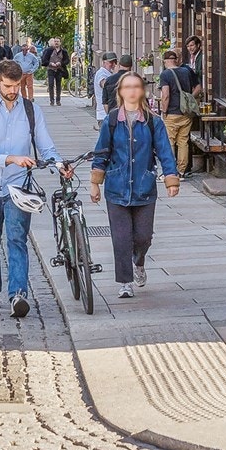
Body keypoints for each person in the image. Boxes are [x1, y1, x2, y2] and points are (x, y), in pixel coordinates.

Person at [0, 58, 66, 318]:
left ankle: (18, 295)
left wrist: (58, 165)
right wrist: (12, 158)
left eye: (16, 85)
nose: (13, 91)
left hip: (18, 188)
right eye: (7, 86)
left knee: (17, 239)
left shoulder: (32, 111)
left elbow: (45, 146)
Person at [90, 71, 180, 299]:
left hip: (144, 187)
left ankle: (138, 262)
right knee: (121, 239)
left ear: (142, 91)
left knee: (143, 236)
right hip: (116, 188)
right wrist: (95, 183)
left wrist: (171, 178)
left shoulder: (153, 122)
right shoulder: (112, 121)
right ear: (120, 92)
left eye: (136, 87)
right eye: (127, 87)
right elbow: (101, 153)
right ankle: (125, 282)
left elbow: (165, 152)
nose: (131, 91)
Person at [158, 50, 194, 180]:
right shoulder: (186, 71)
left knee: (170, 142)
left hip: (172, 112)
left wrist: (164, 111)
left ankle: (170, 171)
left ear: (165, 61)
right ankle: (181, 171)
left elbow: (166, 95)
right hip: (186, 112)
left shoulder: (165, 74)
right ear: (175, 60)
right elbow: (193, 88)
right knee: (183, 142)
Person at [90, 53, 117, 125]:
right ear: (104, 62)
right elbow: (104, 85)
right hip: (103, 113)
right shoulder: (102, 73)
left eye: (115, 62)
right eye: (111, 62)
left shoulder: (109, 72)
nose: (113, 64)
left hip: (108, 113)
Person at [42, 37, 69, 106]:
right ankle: (51, 100)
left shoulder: (63, 51)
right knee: (51, 84)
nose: (56, 43)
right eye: (55, 41)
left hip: (59, 69)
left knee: (58, 85)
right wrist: (50, 63)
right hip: (51, 69)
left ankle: (58, 100)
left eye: (57, 41)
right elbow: (44, 60)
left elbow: (67, 60)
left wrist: (61, 63)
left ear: (60, 43)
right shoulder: (49, 50)